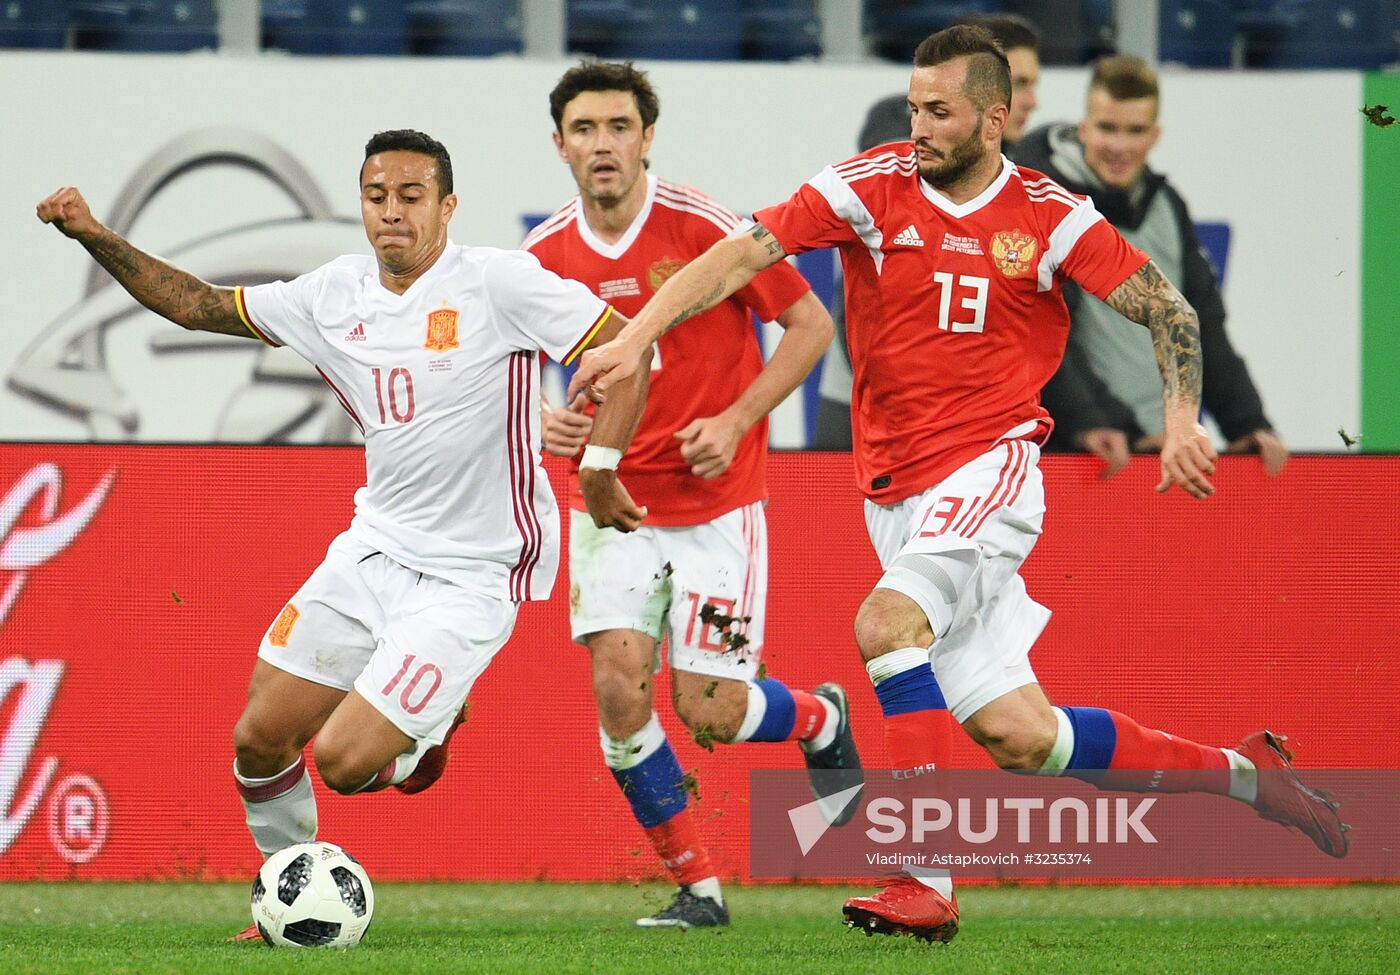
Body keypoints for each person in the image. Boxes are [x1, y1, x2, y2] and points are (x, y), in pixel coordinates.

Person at [567, 26, 1348, 944]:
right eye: (913, 107)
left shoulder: (1051, 215)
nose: (920, 126)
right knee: (1027, 738)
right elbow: (741, 256)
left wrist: (1182, 419)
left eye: (940, 111)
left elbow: (1165, 307)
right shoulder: (867, 188)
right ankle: (1250, 774)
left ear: (996, 116)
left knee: (884, 627)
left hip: (992, 468)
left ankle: (922, 878)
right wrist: (631, 335)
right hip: (895, 496)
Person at [36, 129, 651, 939]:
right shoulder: (335, 295)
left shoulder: (497, 283)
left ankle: (423, 733)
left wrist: (600, 466)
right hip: (374, 548)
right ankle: (283, 897)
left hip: (474, 572)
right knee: (258, 740)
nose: (391, 213)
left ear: (447, 205)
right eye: (376, 196)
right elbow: (195, 305)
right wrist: (94, 234)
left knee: (343, 762)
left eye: (410, 196)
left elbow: (628, 347)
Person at [525, 61, 862, 929]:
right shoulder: (544, 256)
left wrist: (740, 417)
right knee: (618, 689)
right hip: (613, 509)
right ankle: (699, 886)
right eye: (586, 130)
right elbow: (520, 374)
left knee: (708, 710)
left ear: (647, 138)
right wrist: (552, 420)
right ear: (558, 144)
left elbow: (813, 325)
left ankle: (821, 718)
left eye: (619, 127)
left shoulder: (706, 226)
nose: (604, 144)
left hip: (719, 505)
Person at [1014, 55, 1287, 477]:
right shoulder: (1044, 204)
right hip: (1076, 454)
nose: (1119, 146)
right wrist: (1094, 420)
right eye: (1107, 128)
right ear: (1083, 128)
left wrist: (1246, 422)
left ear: (1155, 136)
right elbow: (1039, 330)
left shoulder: (1167, 207)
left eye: (1135, 130)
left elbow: (1200, 322)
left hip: (1155, 451)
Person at [813, 12, 1043, 450]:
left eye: (1032, 84)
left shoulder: (1026, 180)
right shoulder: (899, 131)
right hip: (861, 393)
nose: (1030, 100)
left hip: (967, 415)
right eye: (1021, 83)